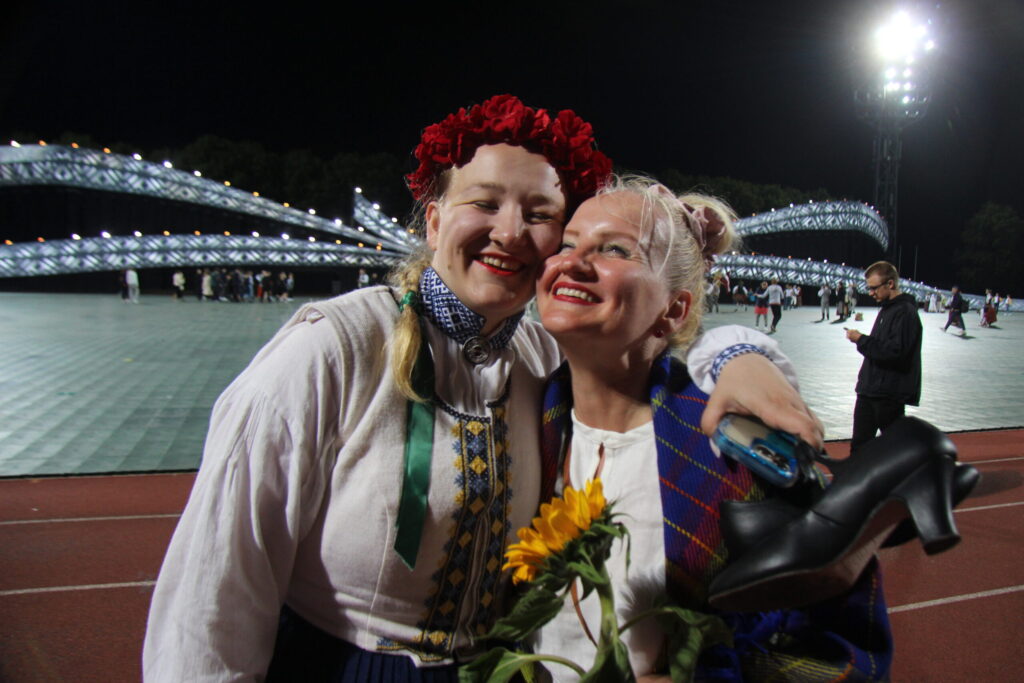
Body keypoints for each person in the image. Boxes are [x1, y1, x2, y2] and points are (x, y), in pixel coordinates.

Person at [143, 96, 820, 682]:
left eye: (539, 213)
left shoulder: (538, 359)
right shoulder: (335, 346)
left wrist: (741, 352)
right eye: (484, 203)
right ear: (435, 221)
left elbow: (648, 348)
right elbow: (213, 589)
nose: (509, 232)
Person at [532, 177, 890, 681]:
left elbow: (846, 655)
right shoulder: (521, 413)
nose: (572, 262)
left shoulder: (741, 451)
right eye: (567, 244)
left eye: (615, 249)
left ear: (674, 310)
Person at [845, 261, 922, 454]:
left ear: (890, 284)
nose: (871, 293)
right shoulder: (888, 309)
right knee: (860, 448)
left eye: (874, 288)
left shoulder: (905, 312)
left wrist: (861, 340)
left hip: (888, 394)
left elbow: (895, 352)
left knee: (895, 450)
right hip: (870, 390)